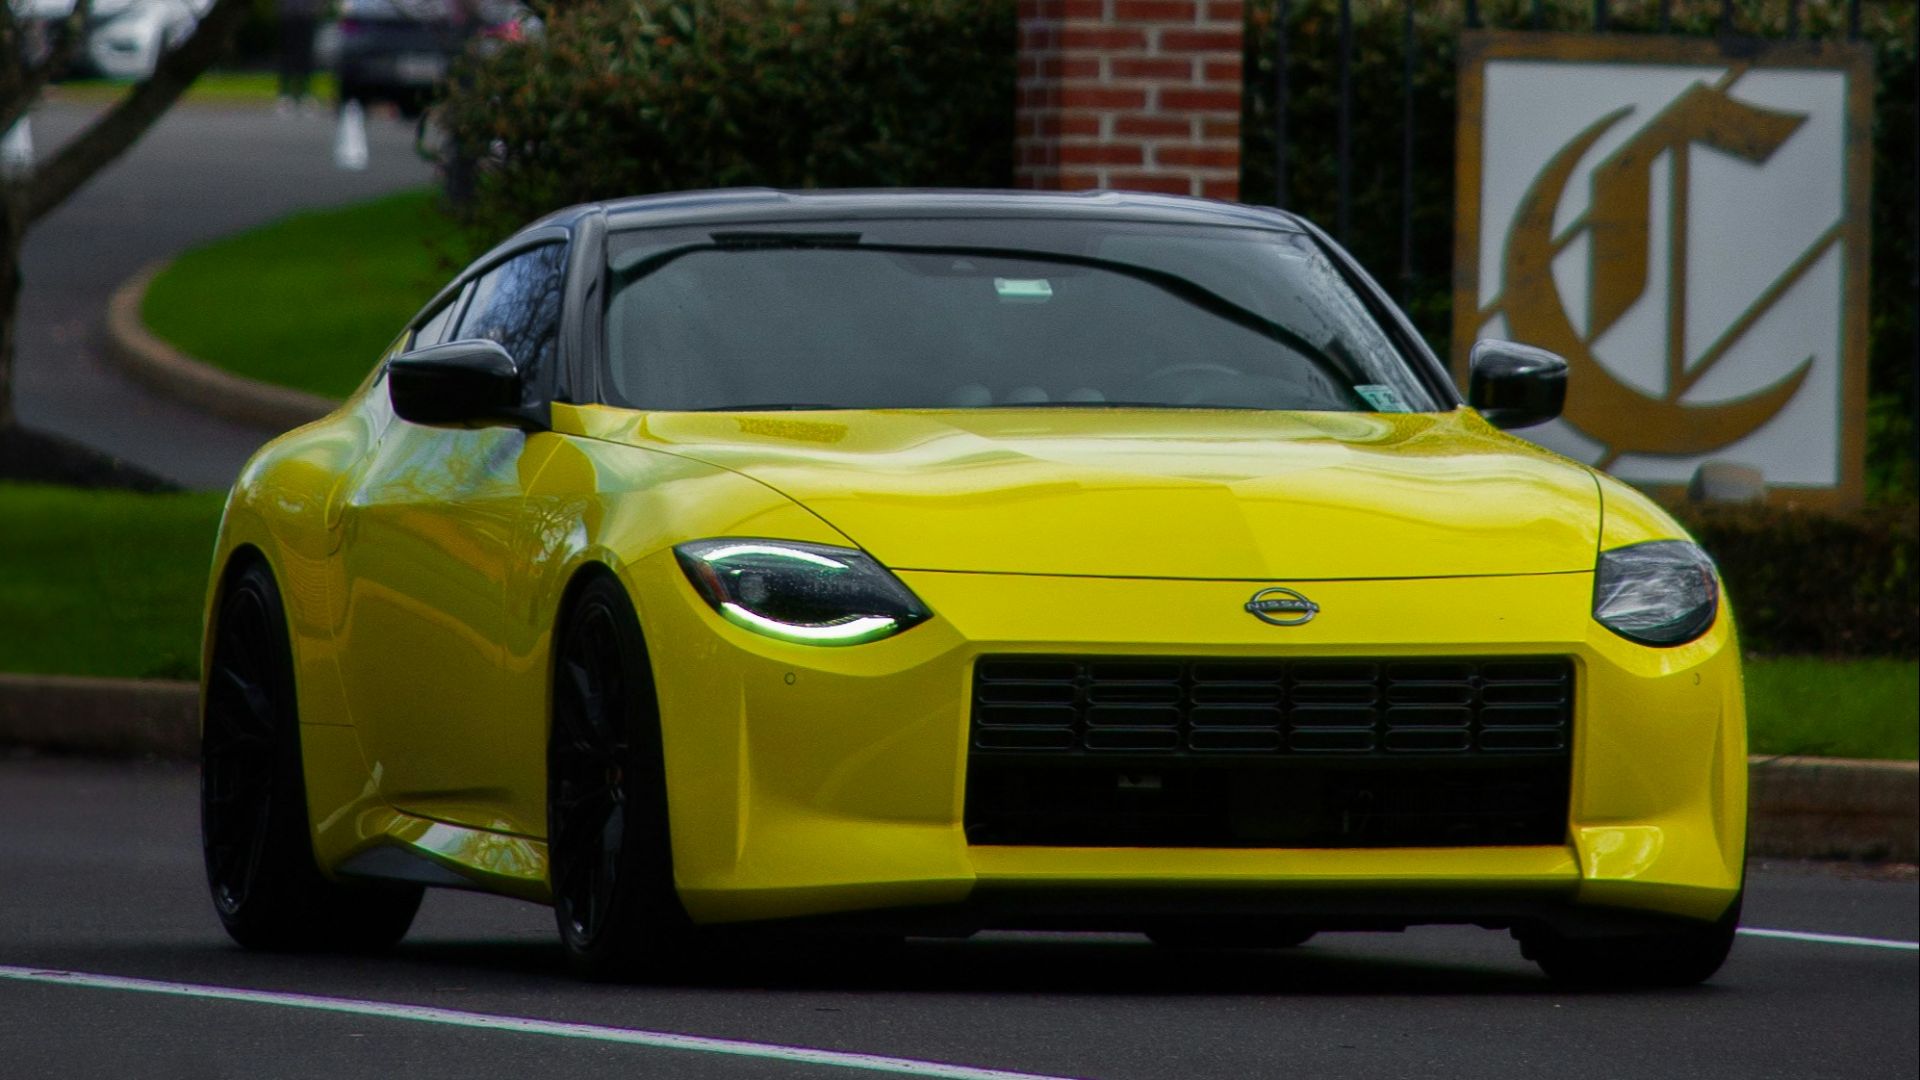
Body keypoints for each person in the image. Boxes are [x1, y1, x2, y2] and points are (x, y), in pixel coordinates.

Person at [277, 0, 322, 114]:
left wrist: (316, 8)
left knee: (306, 57)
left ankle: (305, 94)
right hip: (289, 15)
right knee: (287, 57)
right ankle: (285, 96)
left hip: (306, 15)